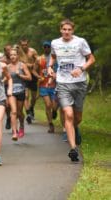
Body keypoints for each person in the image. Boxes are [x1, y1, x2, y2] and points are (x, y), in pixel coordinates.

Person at [48, 19, 95, 162]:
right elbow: (53, 56)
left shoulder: (80, 42)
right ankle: (73, 148)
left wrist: (81, 68)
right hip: (63, 83)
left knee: (77, 117)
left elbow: (91, 59)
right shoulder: (55, 43)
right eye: (64, 29)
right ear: (60, 30)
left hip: (79, 83)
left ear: (73, 30)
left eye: (69, 29)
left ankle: (74, 129)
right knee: (68, 114)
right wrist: (50, 67)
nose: (66, 32)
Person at [7, 48, 31, 140]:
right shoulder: (7, 67)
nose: (12, 56)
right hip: (11, 91)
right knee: (13, 111)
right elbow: (5, 78)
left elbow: (29, 78)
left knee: (19, 112)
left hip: (21, 91)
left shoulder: (22, 66)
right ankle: (14, 132)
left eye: (14, 54)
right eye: (11, 55)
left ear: (18, 56)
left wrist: (20, 75)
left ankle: (21, 125)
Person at [37, 41, 58, 133]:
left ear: (51, 48)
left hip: (54, 85)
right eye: (45, 47)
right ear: (43, 48)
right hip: (43, 85)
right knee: (48, 105)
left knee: (54, 106)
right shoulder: (39, 58)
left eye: (48, 47)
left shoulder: (55, 58)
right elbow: (34, 70)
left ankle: (54, 111)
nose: (46, 48)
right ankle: (50, 124)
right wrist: (38, 77)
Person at [18, 38, 39, 124]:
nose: (24, 46)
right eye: (22, 45)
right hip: (25, 76)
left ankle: (31, 108)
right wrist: (26, 65)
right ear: (20, 45)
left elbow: (38, 60)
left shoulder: (33, 51)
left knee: (34, 98)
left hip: (33, 76)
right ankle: (28, 114)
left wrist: (34, 66)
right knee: (26, 96)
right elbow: (18, 62)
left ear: (28, 44)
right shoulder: (19, 53)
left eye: (25, 45)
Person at [0, 43, 13, 130]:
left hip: (15, 84)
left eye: (10, 49)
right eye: (7, 50)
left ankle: (15, 122)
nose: (9, 51)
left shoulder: (15, 58)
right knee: (7, 105)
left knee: (15, 106)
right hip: (5, 84)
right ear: (5, 51)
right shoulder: (2, 60)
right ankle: (8, 117)